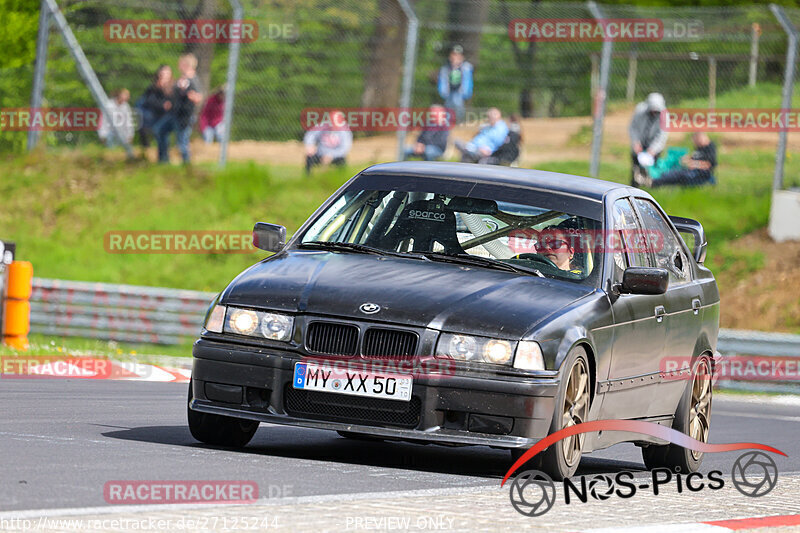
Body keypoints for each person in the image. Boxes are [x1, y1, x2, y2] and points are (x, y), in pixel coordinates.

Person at [154, 53, 203, 164]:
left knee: (182, 142)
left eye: (180, 64)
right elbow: (174, 94)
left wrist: (192, 96)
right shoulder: (183, 79)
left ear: (186, 64)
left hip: (184, 116)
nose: (178, 66)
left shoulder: (193, 80)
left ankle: (187, 165)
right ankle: (163, 160)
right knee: (160, 130)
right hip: (174, 114)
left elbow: (198, 97)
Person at [650, 132, 717, 188]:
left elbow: (708, 165)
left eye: (696, 141)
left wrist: (693, 164)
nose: (695, 144)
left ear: (701, 138)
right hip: (690, 170)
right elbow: (695, 157)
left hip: (699, 173)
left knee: (679, 175)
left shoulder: (709, 148)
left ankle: (654, 183)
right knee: (672, 172)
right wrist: (687, 159)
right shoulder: (699, 148)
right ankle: (655, 181)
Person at [629, 92, 668, 187]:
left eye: (656, 111)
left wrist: (653, 150)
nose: (654, 113)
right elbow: (633, 127)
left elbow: (661, 136)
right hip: (640, 141)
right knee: (636, 165)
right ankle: (634, 185)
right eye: (652, 110)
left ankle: (651, 187)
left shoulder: (664, 116)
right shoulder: (640, 111)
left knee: (652, 168)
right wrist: (636, 142)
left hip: (653, 144)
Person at [303, 110, 352, 175]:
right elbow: (310, 135)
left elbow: (344, 149)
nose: (333, 125)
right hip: (320, 154)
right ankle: (308, 178)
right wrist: (310, 145)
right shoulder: (323, 126)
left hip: (335, 156)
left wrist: (331, 155)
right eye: (331, 122)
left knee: (342, 161)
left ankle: (342, 178)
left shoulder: (345, 131)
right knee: (309, 157)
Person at [135, 65, 173, 148]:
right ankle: (146, 147)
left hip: (165, 113)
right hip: (152, 111)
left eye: (166, 73)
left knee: (160, 128)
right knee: (141, 113)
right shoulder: (153, 87)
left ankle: (164, 149)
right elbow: (148, 100)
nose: (164, 75)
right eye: (162, 73)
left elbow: (171, 103)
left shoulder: (173, 87)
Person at [438, 45, 473, 123]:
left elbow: (467, 82)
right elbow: (442, 82)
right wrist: (443, 92)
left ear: (462, 57)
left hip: (460, 93)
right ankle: (448, 123)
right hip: (448, 93)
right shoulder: (445, 68)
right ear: (450, 56)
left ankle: (458, 121)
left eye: (458, 55)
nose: (455, 58)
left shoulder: (466, 68)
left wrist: (466, 93)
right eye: (453, 55)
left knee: (457, 102)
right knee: (448, 105)